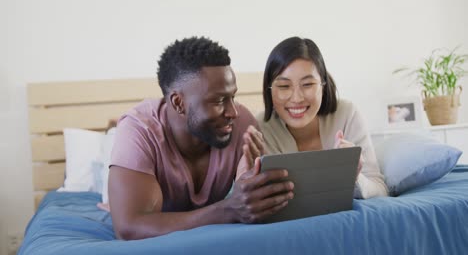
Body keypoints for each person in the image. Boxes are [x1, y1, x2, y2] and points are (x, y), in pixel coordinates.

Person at [108, 37, 294, 240]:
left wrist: (251, 186)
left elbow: (253, 203)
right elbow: (129, 228)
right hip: (130, 175)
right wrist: (228, 210)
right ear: (179, 103)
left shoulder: (242, 125)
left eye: (233, 97)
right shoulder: (139, 131)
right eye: (219, 100)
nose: (233, 112)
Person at [256, 37, 388, 199]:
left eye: (307, 84)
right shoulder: (260, 128)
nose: (296, 98)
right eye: (284, 86)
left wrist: (353, 177)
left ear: (323, 85)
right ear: (269, 90)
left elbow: (380, 189)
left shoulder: (347, 114)